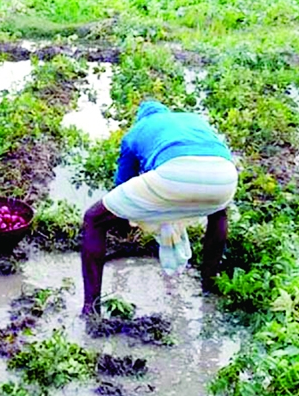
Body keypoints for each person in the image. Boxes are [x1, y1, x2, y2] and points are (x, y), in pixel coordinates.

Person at [80, 101, 238, 315]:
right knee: (219, 214)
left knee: (94, 219)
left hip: (175, 173)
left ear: (141, 118)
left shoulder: (136, 131)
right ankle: (209, 281)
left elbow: (122, 185)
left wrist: (124, 224)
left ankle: (91, 308)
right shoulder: (192, 118)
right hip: (225, 177)